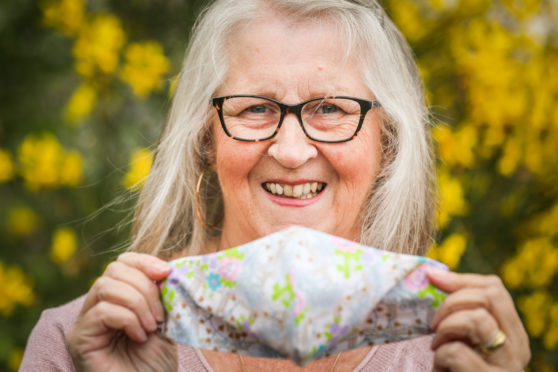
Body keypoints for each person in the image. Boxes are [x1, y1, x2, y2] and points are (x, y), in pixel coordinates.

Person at [21, 0, 530, 371]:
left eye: (330, 108)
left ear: (387, 144)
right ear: (207, 139)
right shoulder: (83, 343)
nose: (290, 151)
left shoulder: (459, 353)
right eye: (255, 108)